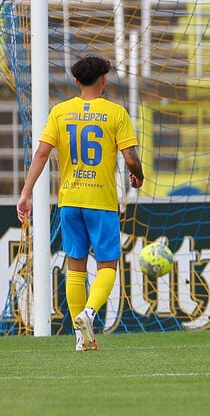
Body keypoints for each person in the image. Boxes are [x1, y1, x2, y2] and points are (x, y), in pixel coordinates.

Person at [16, 55, 144, 352]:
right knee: (107, 265)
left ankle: (80, 338)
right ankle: (88, 313)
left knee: (75, 267)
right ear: (104, 79)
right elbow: (130, 158)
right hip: (100, 200)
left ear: (76, 81)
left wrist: (26, 193)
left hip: (70, 200)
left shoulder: (60, 112)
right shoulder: (115, 113)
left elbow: (41, 154)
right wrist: (137, 176)